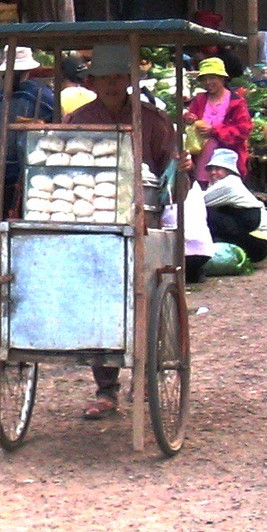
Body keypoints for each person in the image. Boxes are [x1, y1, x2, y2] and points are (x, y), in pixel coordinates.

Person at [64, 44, 176, 420]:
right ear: (92, 82)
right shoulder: (77, 120)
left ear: (130, 80)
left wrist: (182, 172)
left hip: (144, 223)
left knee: (144, 300)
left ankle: (146, 375)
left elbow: (173, 179)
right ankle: (106, 388)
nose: (112, 84)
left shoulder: (155, 121)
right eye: (104, 78)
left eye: (118, 77)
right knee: (101, 303)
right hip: (94, 223)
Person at [0, 47, 57, 212]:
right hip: (37, 176)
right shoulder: (44, 96)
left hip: (5, 175)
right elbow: (59, 133)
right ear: (29, 70)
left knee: (7, 221)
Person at [182, 57, 252, 184]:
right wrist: (189, 118)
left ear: (222, 78)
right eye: (205, 79)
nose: (208, 82)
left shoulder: (236, 102)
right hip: (201, 160)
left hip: (228, 161)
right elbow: (191, 121)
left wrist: (214, 131)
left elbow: (243, 131)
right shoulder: (199, 99)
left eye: (212, 77)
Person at [199, 148, 267, 263]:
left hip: (259, 242)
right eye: (211, 169)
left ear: (228, 170)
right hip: (252, 238)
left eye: (218, 169)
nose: (213, 172)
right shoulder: (220, 184)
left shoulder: (230, 184)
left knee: (205, 214)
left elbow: (198, 201)